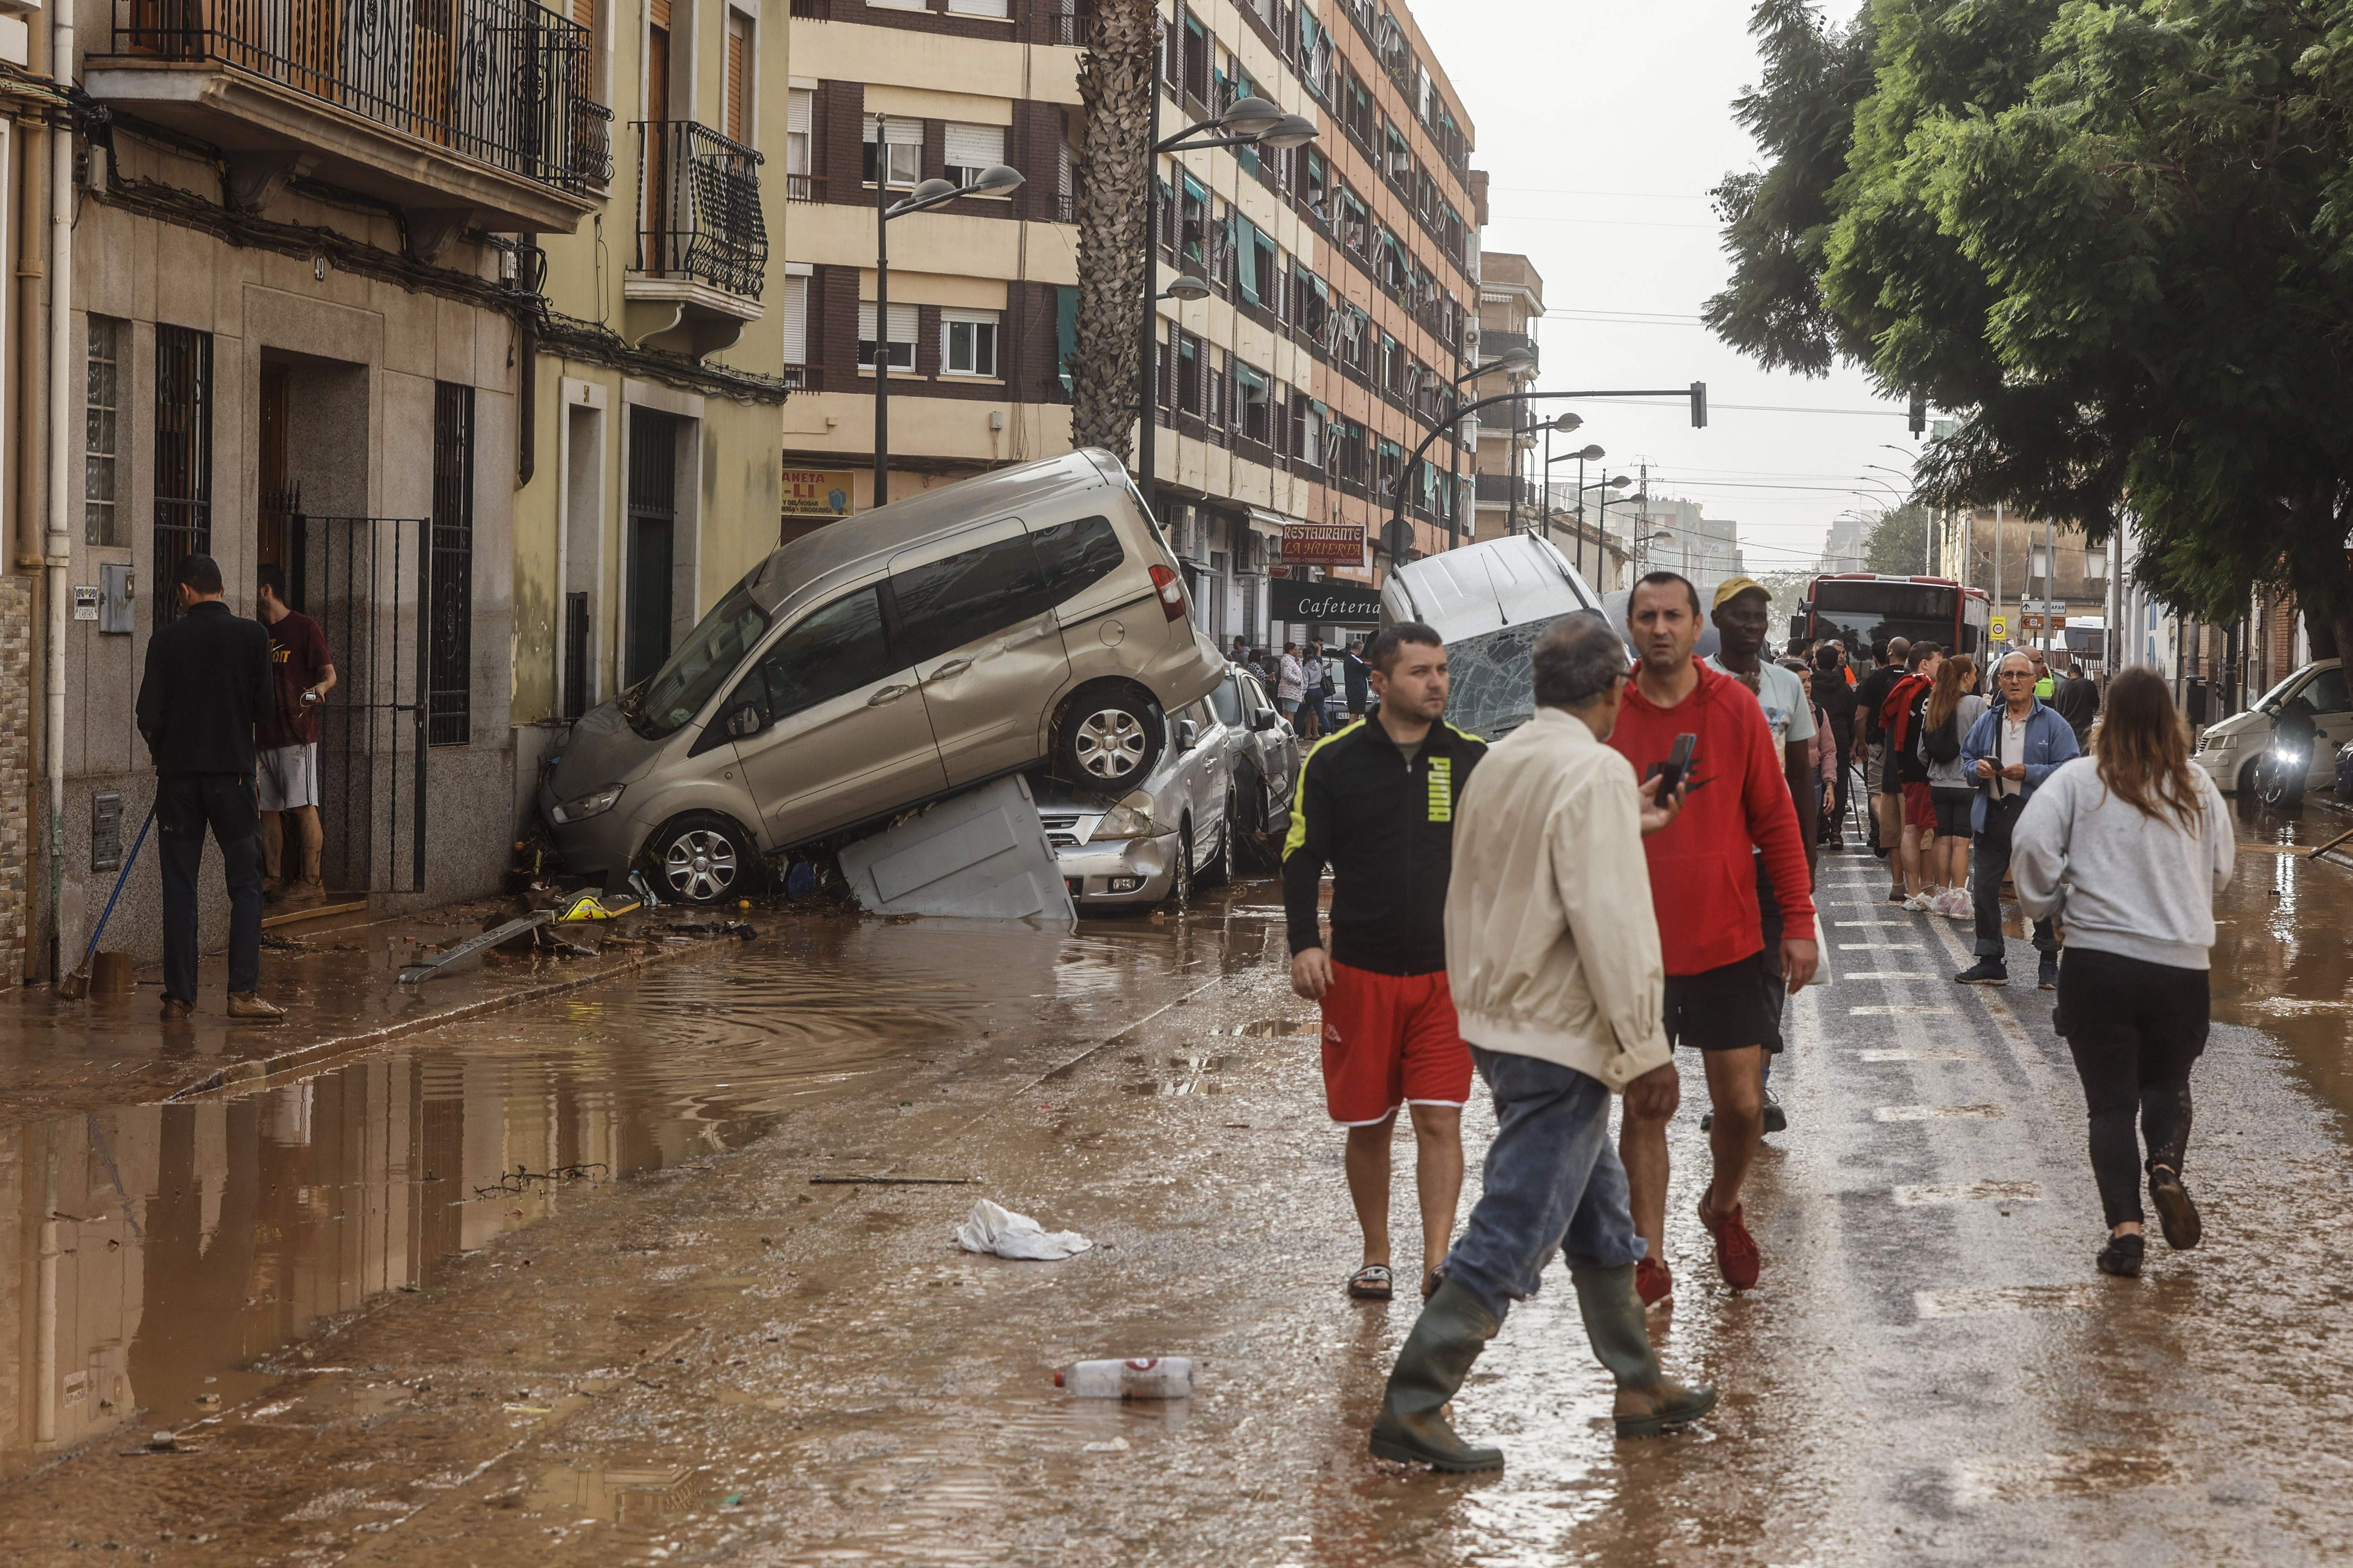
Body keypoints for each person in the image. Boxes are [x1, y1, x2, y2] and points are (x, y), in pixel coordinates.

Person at [1368, 615, 1714, 1470]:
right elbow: (1611, 918)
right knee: (1514, 1224)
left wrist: (1628, 817)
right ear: (1613, 692)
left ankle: (1640, 1382)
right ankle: (1414, 1403)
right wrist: (1646, 1048)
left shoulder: (1503, 758)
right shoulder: (1593, 767)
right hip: (1559, 1028)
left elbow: (1527, 863)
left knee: (1600, 1220)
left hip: (1495, 1013)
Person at [1608, 573, 1818, 1306]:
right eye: (1647, 616)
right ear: (1631, 626)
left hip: (1729, 936)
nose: (1660, 628)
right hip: (1634, 948)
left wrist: (1798, 920)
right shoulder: (1608, 710)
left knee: (1741, 1107)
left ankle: (1723, 1206)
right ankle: (1649, 1252)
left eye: (1674, 616)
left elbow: (1777, 818)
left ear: (1697, 624)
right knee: (1646, 1103)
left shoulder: (1734, 707)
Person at [1286, 623, 1488, 1302]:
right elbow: (1300, 854)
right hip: (1360, 976)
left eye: (1442, 670)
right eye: (1419, 672)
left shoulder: (1471, 758)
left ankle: (1438, 1259)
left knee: (1440, 1117)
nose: (1436, 683)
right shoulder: (1335, 760)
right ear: (1378, 681)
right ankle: (1377, 1256)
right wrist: (1304, 942)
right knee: (1369, 1124)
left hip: (1445, 976)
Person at [2013, 667, 2233, 1278]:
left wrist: (2049, 904)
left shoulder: (2079, 781)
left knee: (2110, 1105)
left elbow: (2030, 846)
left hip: (2099, 963)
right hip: (2180, 967)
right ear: (2172, 719)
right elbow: (2222, 873)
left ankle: (2126, 1236)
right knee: (2167, 1085)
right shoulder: (2198, 787)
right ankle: (2165, 1166)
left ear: (2107, 717)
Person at [134, 554, 284, 1025]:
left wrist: (166, 750)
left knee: (180, 885)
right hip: (233, 781)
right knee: (245, 884)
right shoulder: (253, 636)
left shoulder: (165, 640)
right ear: (221, 589)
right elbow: (266, 709)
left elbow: (148, 716)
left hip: (178, 782)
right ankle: (242, 992)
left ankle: (180, 996)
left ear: (184, 592)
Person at [1704, 577, 1818, 1136]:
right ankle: (1729, 1089)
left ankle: (1758, 1082)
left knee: (1771, 970)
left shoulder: (1786, 685)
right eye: (1741, 616)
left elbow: (1801, 776)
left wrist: (1806, 856)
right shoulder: (1697, 682)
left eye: (1759, 618)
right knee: (1724, 973)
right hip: (1714, 855)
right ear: (1718, 620)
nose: (1752, 625)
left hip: (1771, 852)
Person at [1954, 651, 2081, 989]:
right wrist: (1976, 770)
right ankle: (1991, 960)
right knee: (1984, 891)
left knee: (2041, 889)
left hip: (2036, 819)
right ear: (1999, 682)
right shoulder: (1988, 720)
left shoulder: (2054, 724)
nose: (2014, 681)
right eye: (2007, 675)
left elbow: (2071, 769)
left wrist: (2030, 772)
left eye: (2021, 675)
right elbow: (1966, 758)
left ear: (2034, 679)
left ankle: (2049, 962)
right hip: (1993, 814)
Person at [254, 565, 337, 905]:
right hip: (263, 734)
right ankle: (273, 877)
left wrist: (318, 689)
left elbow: (330, 675)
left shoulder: (305, 628)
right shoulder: (257, 633)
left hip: (297, 734)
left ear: (266, 590)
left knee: (303, 805)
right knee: (267, 809)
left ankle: (312, 880)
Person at [1917, 653, 1984, 917]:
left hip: (1939, 783)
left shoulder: (1934, 703)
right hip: (1967, 783)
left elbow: (1922, 751)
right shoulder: (1977, 705)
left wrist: (1936, 771)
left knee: (1942, 839)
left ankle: (1943, 895)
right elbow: (1986, 742)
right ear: (1966, 677)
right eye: (1975, 674)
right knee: (1961, 843)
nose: (1977, 678)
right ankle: (1959, 899)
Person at [1881, 642, 1944, 909]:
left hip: (1902, 767)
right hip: (1924, 770)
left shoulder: (1906, 688)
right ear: (1925, 664)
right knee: (1921, 832)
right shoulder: (1928, 691)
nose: (1944, 667)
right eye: (1940, 661)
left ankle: (1913, 888)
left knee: (1912, 829)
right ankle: (1921, 889)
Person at [1854, 637, 1910, 895]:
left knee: (1877, 793)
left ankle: (1891, 830)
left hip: (1879, 743)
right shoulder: (1916, 677)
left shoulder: (1874, 681)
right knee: (1904, 794)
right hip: (1909, 747)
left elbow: (1861, 717)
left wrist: (1862, 744)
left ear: (1889, 653)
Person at [1814, 644, 1858, 843]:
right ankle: (1836, 830)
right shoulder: (1844, 688)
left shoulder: (1808, 685)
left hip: (1814, 735)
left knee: (1818, 781)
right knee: (1838, 783)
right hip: (1839, 738)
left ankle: (1820, 822)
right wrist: (1852, 744)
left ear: (1816, 661)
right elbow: (1852, 717)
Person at [2050, 655, 2101, 747]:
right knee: (2083, 754)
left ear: (2069, 673)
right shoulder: (2089, 684)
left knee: (2069, 752)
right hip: (2085, 725)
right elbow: (2096, 705)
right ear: (2080, 673)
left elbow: (2058, 708)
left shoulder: (2062, 686)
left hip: (2067, 725)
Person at [1295, 642, 1325, 742]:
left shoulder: (1305, 666)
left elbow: (1305, 682)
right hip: (1318, 690)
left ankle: (1297, 734)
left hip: (1309, 691)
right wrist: (1319, 650)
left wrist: (1303, 694)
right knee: (1319, 713)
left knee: (1303, 713)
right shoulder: (1318, 664)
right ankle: (1327, 732)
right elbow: (1321, 672)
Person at [1276, 642, 1306, 729]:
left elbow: (1300, 669)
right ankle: (1289, 732)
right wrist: (1297, 681)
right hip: (1292, 691)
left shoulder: (1290, 660)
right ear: (1290, 650)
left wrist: (1297, 660)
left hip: (1287, 691)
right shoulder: (1288, 661)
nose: (1297, 652)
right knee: (1291, 713)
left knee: (1285, 712)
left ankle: (1283, 731)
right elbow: (1287, 674)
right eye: (1295, 650)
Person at [1343, 637, 1371, 718]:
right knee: (1355, 715)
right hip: (1357, 691)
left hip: (1352, 690)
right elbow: (1368, 671)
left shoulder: (1348, 658)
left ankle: (1351, 730)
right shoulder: (1356, 660)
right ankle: (1351, 731)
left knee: (1354, 714)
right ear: (1360, 649)